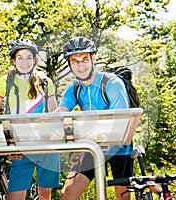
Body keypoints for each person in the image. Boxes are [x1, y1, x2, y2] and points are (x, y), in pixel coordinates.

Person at [56, 36, 133, 200]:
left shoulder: (112, 83)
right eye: (75, 61)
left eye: (85, 59)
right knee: (68, 194)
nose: (80, 64)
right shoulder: (74, 88)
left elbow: (122, 120)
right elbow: (59, 114)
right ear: (70, 65)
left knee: (122, 196)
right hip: (91, 146)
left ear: (93, 59)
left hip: (118, 147)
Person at [0, 38, 60, 200]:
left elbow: (54, 115)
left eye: (29, 57)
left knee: (44, 195)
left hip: (46, 146)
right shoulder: (4, 82)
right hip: (20, 148)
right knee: (14, 196)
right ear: (13, 60)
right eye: (20, 57)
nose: (24, 62)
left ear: (35, 60)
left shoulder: (45, 83)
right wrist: (3, 146)